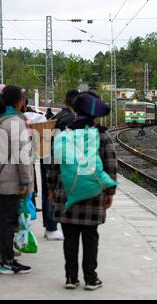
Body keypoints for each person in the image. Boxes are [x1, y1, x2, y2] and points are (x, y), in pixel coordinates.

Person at [47, 92, 118, 291]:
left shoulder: (64, 134)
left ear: (75, 110)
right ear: (94, 114)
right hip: (93, 194)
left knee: (69, 237)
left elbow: (54, 165)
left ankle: (71, 278)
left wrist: (51, 189)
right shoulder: (102, 135)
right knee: (90, 236)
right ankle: (91, 278)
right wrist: (110, 191)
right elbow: (110, 165)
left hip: (66, 193)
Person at [0, 85, 34, 275]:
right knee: (7, 222)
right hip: (9, 181)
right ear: (18, 101)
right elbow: (22, 156)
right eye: (23, 98)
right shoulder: (15, 122)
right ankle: (8, 261)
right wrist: (26, 182)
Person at [40, 90, 79, 241]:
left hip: (47, 155)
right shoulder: (70, 119)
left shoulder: (59, 115)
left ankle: (49, 226)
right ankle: (52, 228)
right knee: (54, 192)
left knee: (47, 191)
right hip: (55, 159)